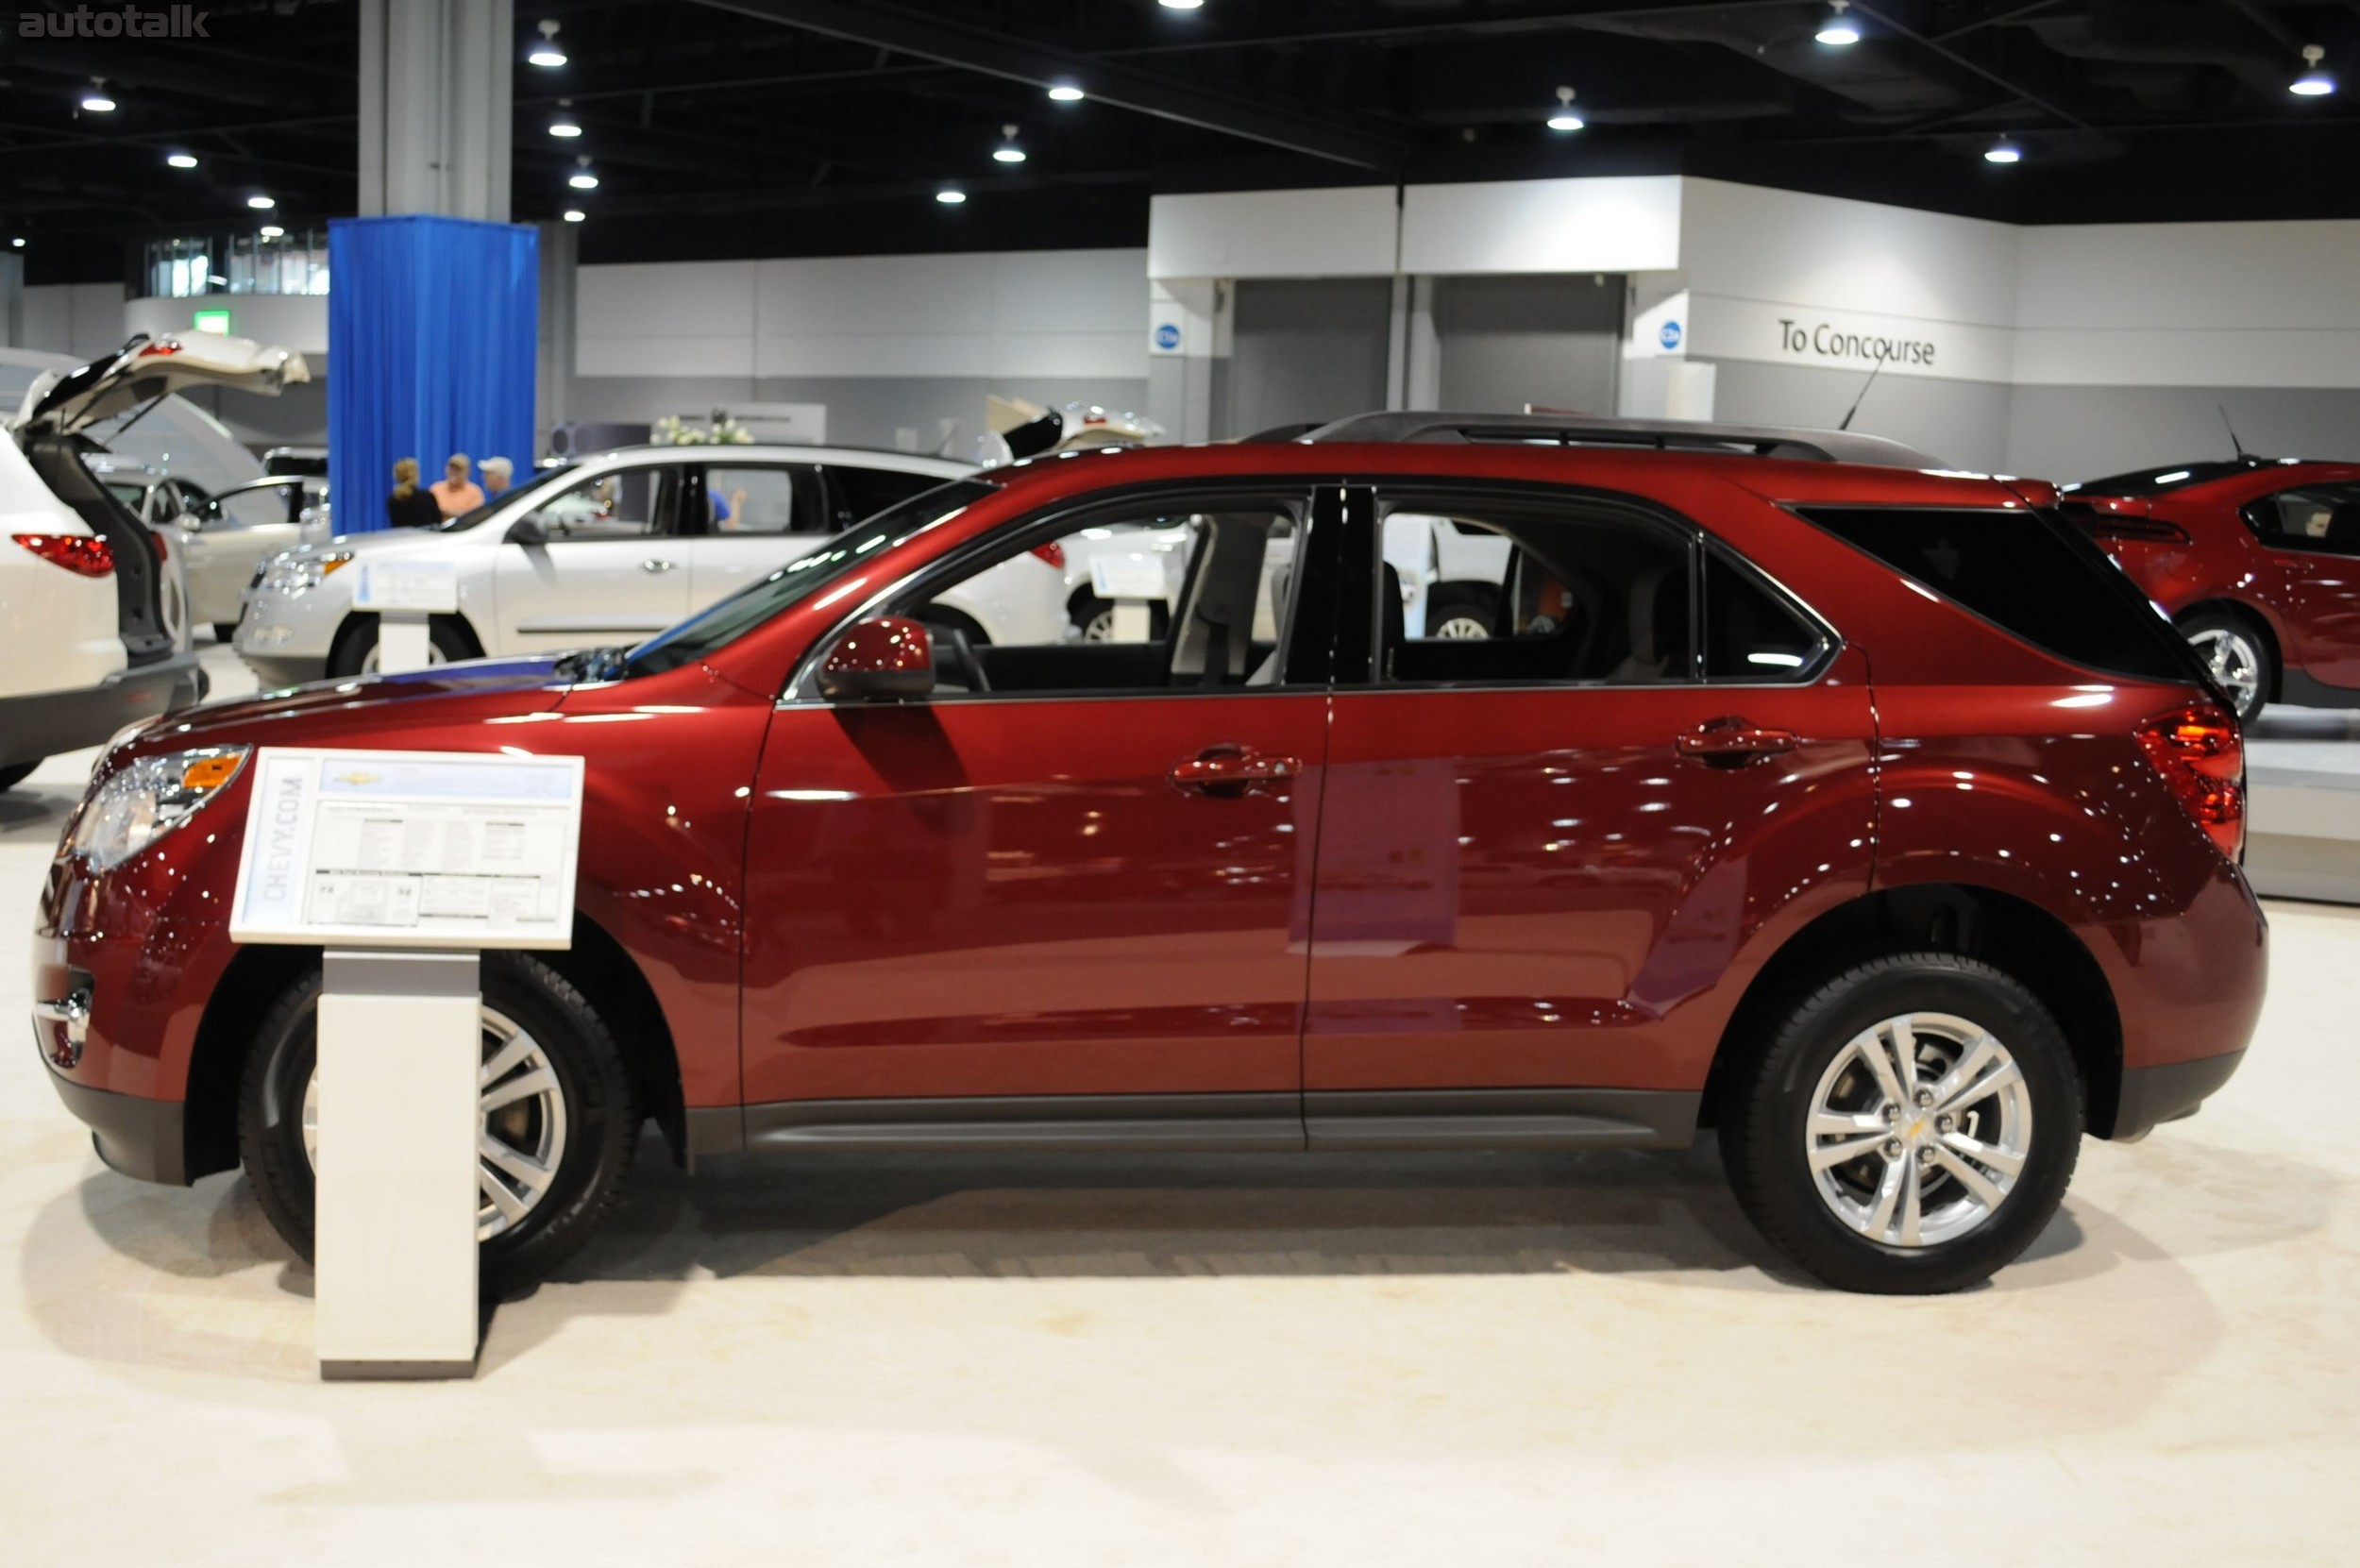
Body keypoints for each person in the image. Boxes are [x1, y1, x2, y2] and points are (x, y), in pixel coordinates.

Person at [385, 457, 442, 529]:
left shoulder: (392, 500)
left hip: (403, 536)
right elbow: (438, 522)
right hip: (426, 536)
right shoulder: (427, 497)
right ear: (415, 474)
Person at [429, 452, 485, 517]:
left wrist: (451, 514)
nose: (454, 472)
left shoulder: (474, 492)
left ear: (467, 472)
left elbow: (476, 517)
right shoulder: (435, 489)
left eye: (458, 469)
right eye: (451, 468)